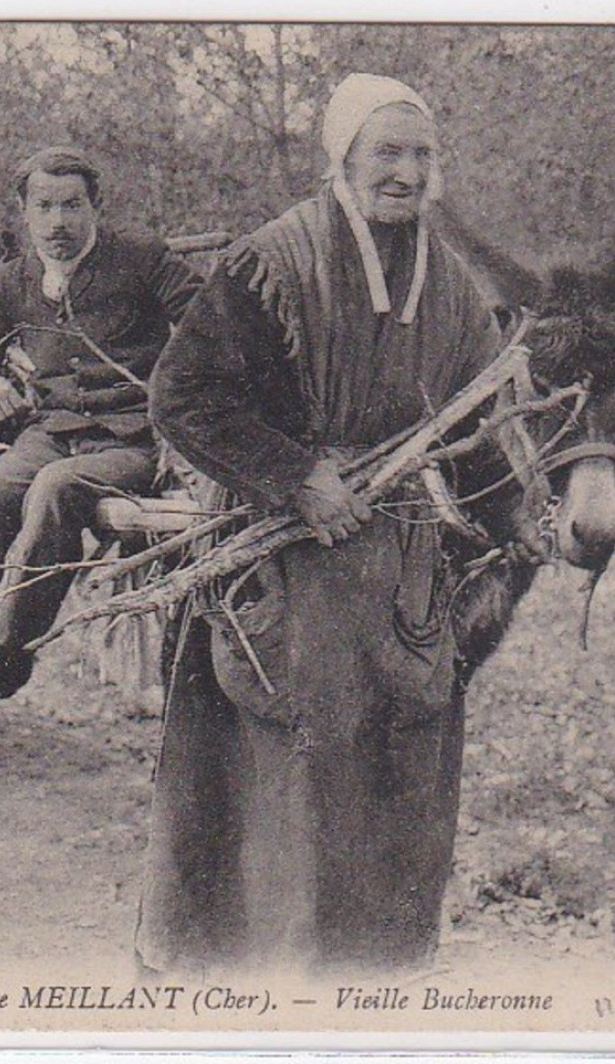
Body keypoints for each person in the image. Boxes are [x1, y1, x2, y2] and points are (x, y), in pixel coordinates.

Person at [138, 75, 510, 973]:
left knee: (402, 764)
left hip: (397, 585)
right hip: (280, 566)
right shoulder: (273, 262)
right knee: (283, 771)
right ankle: (253, 980)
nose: (406, 172)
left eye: (421, 155)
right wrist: (297, 475)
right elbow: (181, 397)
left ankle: (377, 975)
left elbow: (473, 428)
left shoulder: (454, 290)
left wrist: (512, 519)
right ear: (341, 159)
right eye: (387, 152)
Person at [0, 146, 203, 749]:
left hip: (132, 439)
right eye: (44, 207)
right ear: (23, 213)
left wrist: (177, 387)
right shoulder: (13, 281)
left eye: (72, 206)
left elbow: (211, 321)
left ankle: (9, 658)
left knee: (59, 489)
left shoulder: (142, 260)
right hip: (49, 434)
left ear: (96, 208)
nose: (59, 223)